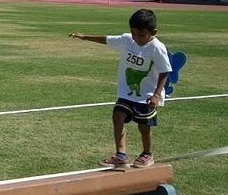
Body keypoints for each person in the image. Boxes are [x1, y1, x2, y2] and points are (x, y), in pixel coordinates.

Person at [69, 9, 172, 168]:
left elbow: (165, 72)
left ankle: (147, 154)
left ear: (153, 32)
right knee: (118, 116)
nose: (137, 38)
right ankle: (121, 155)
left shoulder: (157, 48)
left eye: (142, 35)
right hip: (127, 92)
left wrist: (157, 95)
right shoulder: (127, 40)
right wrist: (85, 37)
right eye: (134, 33)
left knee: (144, 126)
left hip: (147, 95)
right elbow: (107, 39)